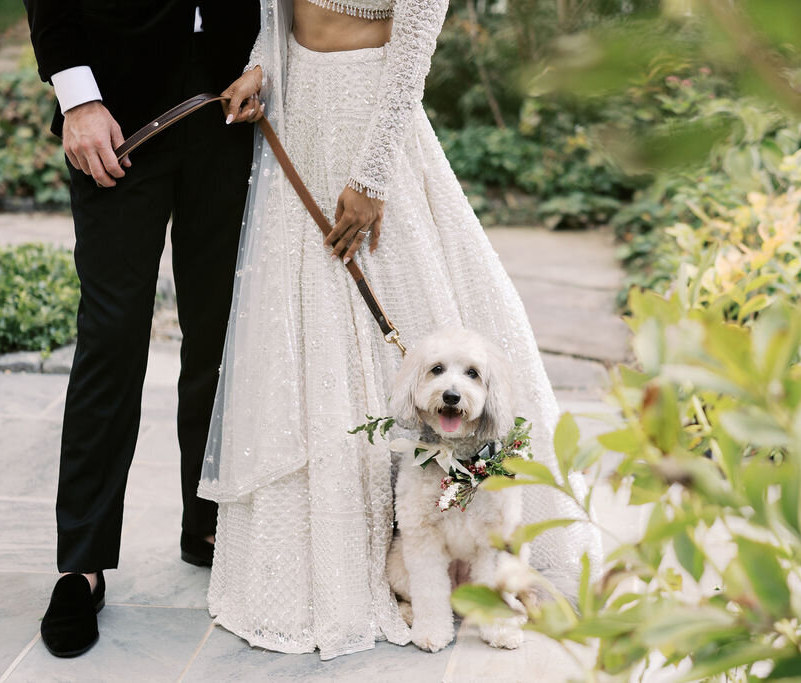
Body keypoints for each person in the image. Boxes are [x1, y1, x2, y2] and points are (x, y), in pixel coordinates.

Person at [197, 0, 604, 659]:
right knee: (302, 338)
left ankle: (473, 542)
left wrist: (373, 175)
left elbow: (414, 46)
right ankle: (331, 562)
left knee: (411, 313)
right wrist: (261, 66)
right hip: (300, 110)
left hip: (370, 119)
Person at [22, 0, 259, 658]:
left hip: (229, 104)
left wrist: (264, 61)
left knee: (220, 334)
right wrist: (77, 98)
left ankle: (207, 521)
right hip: (115, 114)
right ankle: (83, 562)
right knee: (111, 337)